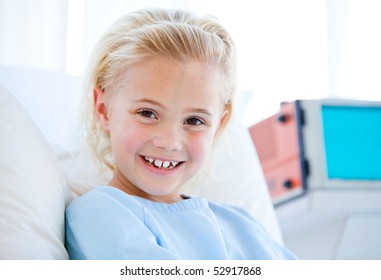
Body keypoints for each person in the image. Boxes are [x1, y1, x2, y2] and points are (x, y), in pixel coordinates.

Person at [65, 7, 297, 260]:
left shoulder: (242, 226)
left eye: (194, 120)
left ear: (219, 125)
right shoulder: (101, 214)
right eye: (147, 113)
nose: (170, 142)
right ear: (103, 109)